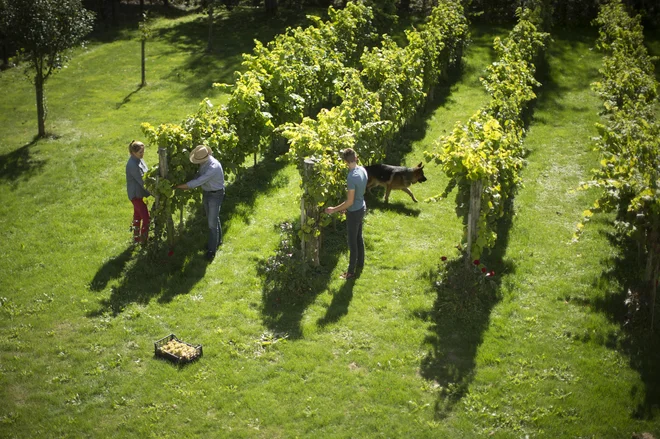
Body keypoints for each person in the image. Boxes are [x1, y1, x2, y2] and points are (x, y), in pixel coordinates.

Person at [175, 145, 225, 261]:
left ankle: (211, 251)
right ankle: (218, 241)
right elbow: (198, 175)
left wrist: (179, 187)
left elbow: (199, 181)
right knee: (213, 218)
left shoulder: (213, 167)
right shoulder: (204, 162)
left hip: (215, 195)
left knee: (212, 224)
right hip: (207, 192)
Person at [324, 148, 368, 280]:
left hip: (354, 212)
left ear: (345, 162)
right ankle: (360, 263)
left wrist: (334, 209)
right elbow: (355, 198)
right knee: (359, 237)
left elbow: (349, 201)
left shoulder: (351, 177)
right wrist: (347, 207)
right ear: (356, 157)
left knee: (352, 243)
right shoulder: (362, 170)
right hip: (362, 207)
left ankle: (350, 272)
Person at [126, 140, 151, 245]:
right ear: (133, 152)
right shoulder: (132, 165)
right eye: (140, 152)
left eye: (143, 151)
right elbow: (142, 181)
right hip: (136, 195)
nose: (142, 154)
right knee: (146, 218)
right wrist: (154, 192)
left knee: (137, 215)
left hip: (140, 194)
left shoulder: (139, 159)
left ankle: (136, 238)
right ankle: (143, 241)